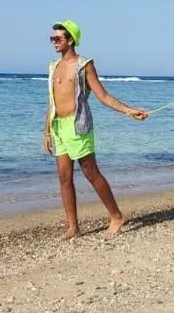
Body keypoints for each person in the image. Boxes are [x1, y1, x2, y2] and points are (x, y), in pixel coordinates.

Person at [44, 20, 149, 239]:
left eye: (58, 38)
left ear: (70, 40)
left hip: (78, 126)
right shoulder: (54, 66)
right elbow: (51, 101)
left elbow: (103, 96)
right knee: (64, 178)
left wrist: (129, 111)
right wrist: (46, 131)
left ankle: (116, 216)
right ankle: (73, 227)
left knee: (91, 173)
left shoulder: (84, 65)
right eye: (52, 38)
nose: (54, 42)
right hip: (58, 128)